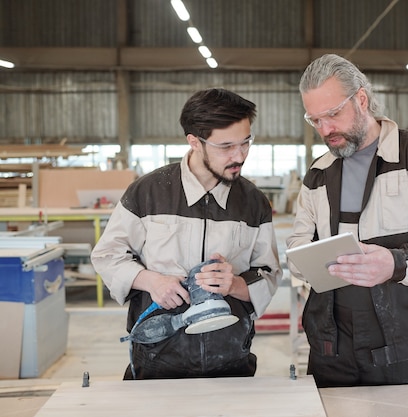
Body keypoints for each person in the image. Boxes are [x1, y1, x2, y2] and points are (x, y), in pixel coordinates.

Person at [287, 54, 408, 388]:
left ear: (361, 99)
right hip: (332, 345)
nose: (325, 129)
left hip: (403, 342)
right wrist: (307, 262)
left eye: (332, 114)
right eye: (314, 120)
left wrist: (395, 264)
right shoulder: (318, 172)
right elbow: (298, 244)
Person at [91, 88, 281, 380]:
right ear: (195, 141)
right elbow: (107, 256)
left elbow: (268, 273)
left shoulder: (253, 202)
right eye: (226, 146)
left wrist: (234, 285)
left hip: (230, 358)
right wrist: (152, 281)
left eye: (246, 143)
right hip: (158, 356)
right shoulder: (148, 193)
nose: (239, 155)